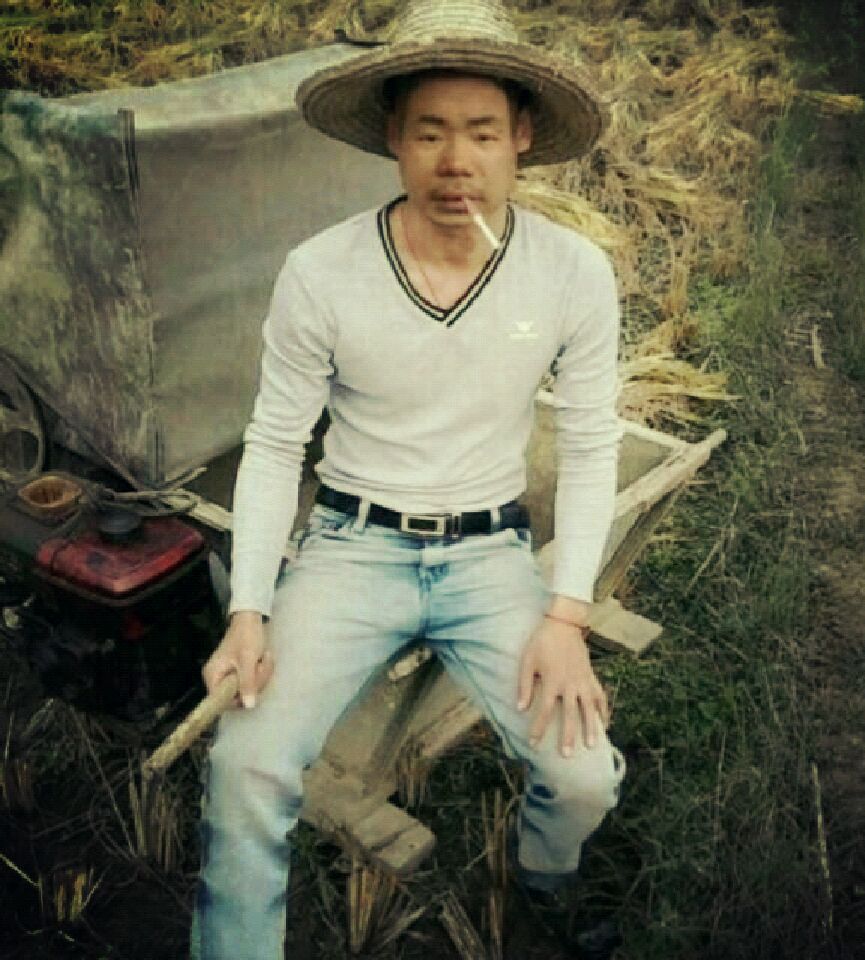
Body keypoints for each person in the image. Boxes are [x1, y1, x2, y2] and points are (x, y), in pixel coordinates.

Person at [191, 1, 625, 957]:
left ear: (521, 135)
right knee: (245, 765)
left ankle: (544, 877)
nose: (455, 160)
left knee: (585, 774)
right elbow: (274, 445)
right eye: (429, 131)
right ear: (393, 135)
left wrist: (565, 618)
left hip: (489, 555)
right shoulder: (322, 271)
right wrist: (249, 611)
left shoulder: (572, 273)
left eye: (481, 132)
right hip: (351, 550)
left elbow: (593, 443)